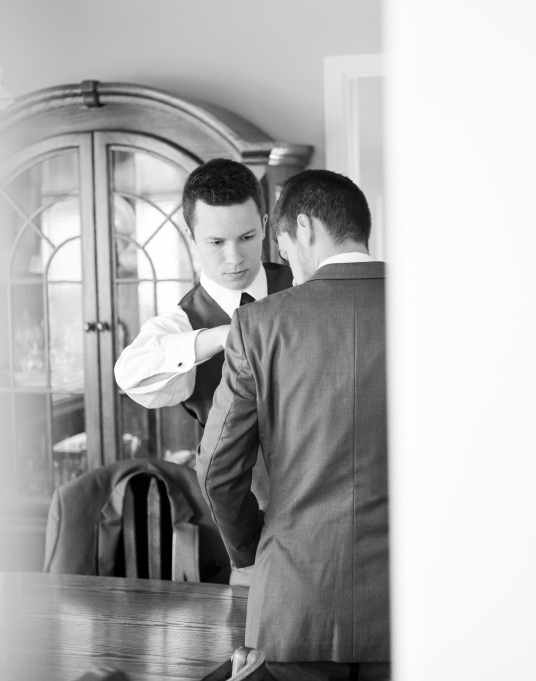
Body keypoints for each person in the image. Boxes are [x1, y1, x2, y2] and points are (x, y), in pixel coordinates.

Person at [197, 169, 389, 680]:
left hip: (293, 600)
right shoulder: (436, 312)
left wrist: (257, 549)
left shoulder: (258, 324)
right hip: (412, 605)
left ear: (303, 228)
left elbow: (216, 467)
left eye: (282, 249)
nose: (287, 265)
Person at [113, 158, 292, 430]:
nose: (234, 259)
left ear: (265, 225)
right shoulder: (182, 321)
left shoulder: (303, 285)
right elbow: (129, 375)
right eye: (217, 242)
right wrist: (219, 337)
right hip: (234, 472)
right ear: (191, 236)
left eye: (246, 237)